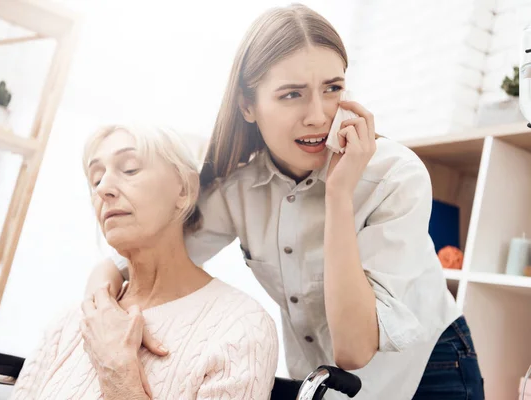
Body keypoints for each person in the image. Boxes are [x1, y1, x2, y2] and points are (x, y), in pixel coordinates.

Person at [84, 4, 484, 399]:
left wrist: (339, 194)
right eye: (292, 94)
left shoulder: (395, 176)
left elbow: (354, 349)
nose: (318, 115)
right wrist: (101, 285)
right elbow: (158, 252)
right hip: (324, 383)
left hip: (429, 371)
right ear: (247, 105)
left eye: (332, 88)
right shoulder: (240, 189)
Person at [10, 124, 279, 400]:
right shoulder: (71, 322)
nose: (103, 189)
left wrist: (118, 374)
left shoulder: (240, 327)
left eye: (129, 169)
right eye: (96, 178)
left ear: (184, 189)